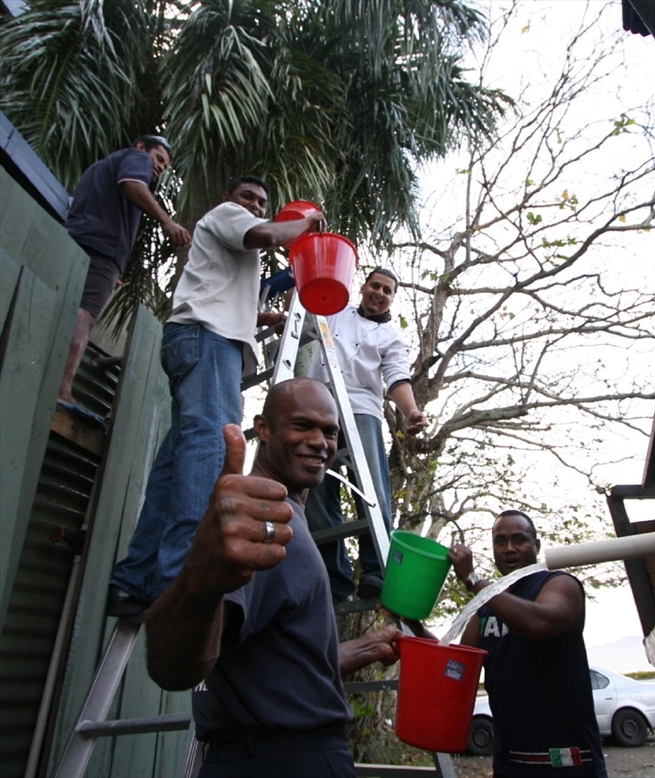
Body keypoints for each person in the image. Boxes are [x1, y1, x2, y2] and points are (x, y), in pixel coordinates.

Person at [144, 378, 400, 777]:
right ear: (263, 428)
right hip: (277, 758)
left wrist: (369, 647)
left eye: (329, 432)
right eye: (302, 425)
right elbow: (173, 668)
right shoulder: (260, 525)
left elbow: (286, 673)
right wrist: (202, 577)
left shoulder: (292, 524)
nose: (320, 441)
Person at [107, 177, 325, 618]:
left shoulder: (235, 253)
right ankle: (178, 578)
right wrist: (307, 222)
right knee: (211, 445)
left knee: (177, 460)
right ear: (230, 199)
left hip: (202, 338)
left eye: (262, 202)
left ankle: (136, 580)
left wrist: (265, 314)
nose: (255, 206)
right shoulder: (229, 217)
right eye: (249, 197)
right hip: (207, 340)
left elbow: (231, 289)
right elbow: (268, 233)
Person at [446, 510, 608, 778]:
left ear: (536, 546)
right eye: (500, 541)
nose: (509, 548)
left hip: (567, 760)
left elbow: (539, 624)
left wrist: (473, 580)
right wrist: (410, 622)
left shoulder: (560, 584)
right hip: (511, 763)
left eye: (519, 539)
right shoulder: (485, 609)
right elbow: (456, 667)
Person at [304, 268, 426, 602]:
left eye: (387, 290)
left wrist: (410, 411)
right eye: (375, 285)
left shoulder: (393, 338)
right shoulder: (333, 310)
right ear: (364, 287)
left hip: (361, 409)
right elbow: (301, 308)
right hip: (319, 403)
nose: (380, 293)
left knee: (371, 488)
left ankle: (373, 570)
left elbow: (397, 378)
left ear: (392, 298)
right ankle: (333, 576)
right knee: (315, 487)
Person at [58, 135, 192, 428]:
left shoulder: (102, 167)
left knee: (67, 306)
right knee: (85, 316)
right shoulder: (136, 159)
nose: (158, 168)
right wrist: (167, 222)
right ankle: (63, 388)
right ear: (142, 147)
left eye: (164, 166)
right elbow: (132, 184)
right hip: (101, 251)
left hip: (86, 244)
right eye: (159, 159)